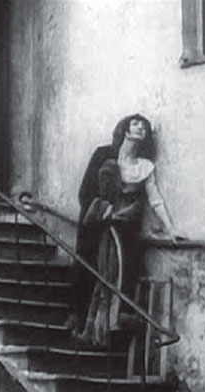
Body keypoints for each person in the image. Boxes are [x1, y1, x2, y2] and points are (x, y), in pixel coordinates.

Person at [72, 113, 179, 346]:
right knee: (92, 269)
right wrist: (103, 210)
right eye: (135, 123)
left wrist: (170, 230)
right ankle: (84, 327)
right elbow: (86, 190)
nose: (140, 127)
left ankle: (108, 330)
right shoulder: (103, 155)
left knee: (119, 275)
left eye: (144, 126)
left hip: (124, 228)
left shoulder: (144, 166)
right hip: (97, 225)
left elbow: (155, 200)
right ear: (126, 130)